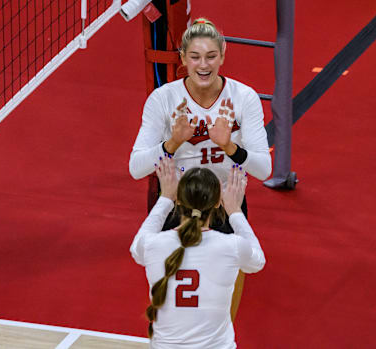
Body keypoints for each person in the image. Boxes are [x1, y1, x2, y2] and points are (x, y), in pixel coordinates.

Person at [129, 17, 271, 322]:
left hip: (225, 205)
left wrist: (230, 147)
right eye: (194, 57)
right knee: (171, 299)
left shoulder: (243, 98)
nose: (203, 65)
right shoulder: (163, 98)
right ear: (182, 58)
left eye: (210, 56)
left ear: (223, 55)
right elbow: (136, 167)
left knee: (223, 292)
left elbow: (263, 169)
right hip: (175, 204)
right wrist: (172, 142)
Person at [130, 157, 265, 348]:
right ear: (218, 202)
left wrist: (165, 198)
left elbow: (136, 248)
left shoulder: (153, 244)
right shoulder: (231, 246)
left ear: (178, 200)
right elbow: (258, 261)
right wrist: (235, 211)